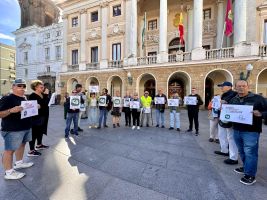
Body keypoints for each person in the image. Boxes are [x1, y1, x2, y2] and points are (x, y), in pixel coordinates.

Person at [230, 80, 267, 185]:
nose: (241, 88)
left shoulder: (258, 99)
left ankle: (250, 175)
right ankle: (246, 167)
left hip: (251, 132)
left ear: (248, 86)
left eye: (243, 86)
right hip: (237, 130)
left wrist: (261, 114)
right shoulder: (234, 99)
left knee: (250, 153)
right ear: (235, 88)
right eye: (239, 86)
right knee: (241, 151)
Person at [0, 79, 34, 180]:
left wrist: (35, 106)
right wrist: (11, 110)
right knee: (9, 150)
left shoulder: (24, 98)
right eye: (19, 86)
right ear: (13, 87)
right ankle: (9, 172)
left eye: (24, 86)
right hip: (12, 129)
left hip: (25, 127)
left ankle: (19, 163)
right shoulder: (7, 98)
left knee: (22, 145)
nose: (22, 88)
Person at [214, 81, 238, 165]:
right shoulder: (224, 95)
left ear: (229, 87)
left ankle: (233, 157)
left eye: (223, 86)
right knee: (221, 134)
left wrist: (227, 103)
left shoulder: (234, 94)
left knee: (231, 137)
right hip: (222, 117)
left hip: (229, 119)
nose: (221, 88)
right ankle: (224, 150)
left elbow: (236, 105)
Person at [28, 80, 50, 157]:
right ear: (36, 87)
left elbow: (46, 103)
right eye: (41, 87)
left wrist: (46, 96)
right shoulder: (32, 96)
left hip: (43, 116)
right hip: (36, 117)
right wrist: (46, 95)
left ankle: (39, 145)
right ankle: (31, 150)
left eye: (43, 86)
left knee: (41, 131)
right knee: (34, 133)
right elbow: (40, 105)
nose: (43, 88)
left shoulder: (43, 94)